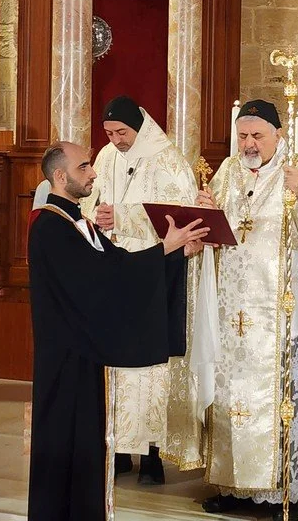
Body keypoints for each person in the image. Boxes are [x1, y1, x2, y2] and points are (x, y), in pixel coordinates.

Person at [176, 99, 298, 521]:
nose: (248, 143)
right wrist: (203, 214)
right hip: (231, 312)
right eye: (242, 135)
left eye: (257, 136)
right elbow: (215, 235)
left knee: (282, 401)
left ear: (278, 136)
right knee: (229, 401)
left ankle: (285, 490)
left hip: (281, 312)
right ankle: (235, 486)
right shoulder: (228, 171)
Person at [27, 141, 208, 521]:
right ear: (60, 176)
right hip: (65, 360)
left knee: (86, 446)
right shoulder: (49, 226)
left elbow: (117, 264)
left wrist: (175, 254)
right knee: (64, 446)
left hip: (85, 356)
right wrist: (163, 249)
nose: (93, 172)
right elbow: (102, 278)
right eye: (84, 166)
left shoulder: (78, 222)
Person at [80, 96, 200, 484]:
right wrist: (94, 214)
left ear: (140, 127)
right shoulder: (105, 157)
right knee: (114, 360)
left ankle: (151, 455)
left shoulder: (169, 160)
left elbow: (181, 218)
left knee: (150, 365)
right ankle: (116, 449)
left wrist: (124, 216)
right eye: (110, 134)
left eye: (122, 133)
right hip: (114, 271)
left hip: (154, 271)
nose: (116, 140)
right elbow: (89, 201)